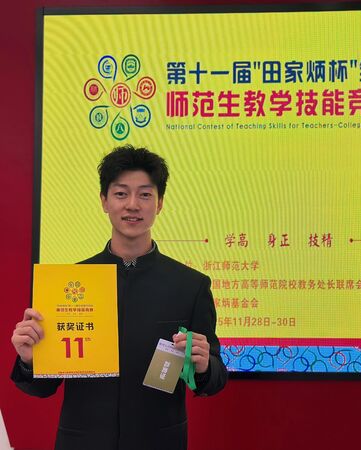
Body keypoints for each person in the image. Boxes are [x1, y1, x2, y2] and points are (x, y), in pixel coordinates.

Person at [10, 145, 227, 450]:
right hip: (82, 443)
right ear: (104, 201)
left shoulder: (190, 286)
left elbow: (215, 379)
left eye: (145, 195)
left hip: (159, 442)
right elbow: (42, 389)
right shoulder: (67, 284)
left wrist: (204, 366)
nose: (132, 205)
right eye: (121, 194)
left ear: (160, 203)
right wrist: (29, 360)